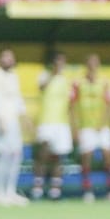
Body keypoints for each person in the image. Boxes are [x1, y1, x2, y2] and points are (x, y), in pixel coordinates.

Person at [71, 54, 110, 202]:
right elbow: (71, 106)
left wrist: (104, 123)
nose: (92, 65)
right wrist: (75, 127)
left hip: (101, 127)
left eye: (95, 63)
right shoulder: (78, 83)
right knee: (86, 157)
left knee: (108, 155)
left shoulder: (104, 82)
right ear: (86, 64)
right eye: (90, 62)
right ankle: (87, 189)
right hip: (85, 126)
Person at [0, 47, 28, 205]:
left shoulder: (14, 76)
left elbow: (17, 99)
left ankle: (10, 191)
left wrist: (25, 119)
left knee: (16, 154)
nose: (8, 60)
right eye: (5, 57)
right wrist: (0, 119)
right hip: (1, 121)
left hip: (14, 121)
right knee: (3, 155)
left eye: (11, 57)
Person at [32, 52, 72, 201]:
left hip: (62, 123)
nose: (60, 65)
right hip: (46, 121)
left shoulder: (66, 80)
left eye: (62, 62)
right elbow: (42, 88)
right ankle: (37, 187)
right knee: (43, 153)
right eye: (57, 62)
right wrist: (52, 74)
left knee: (58, 157)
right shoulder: (44, 76)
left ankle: (55, 189)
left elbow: (70, 103)